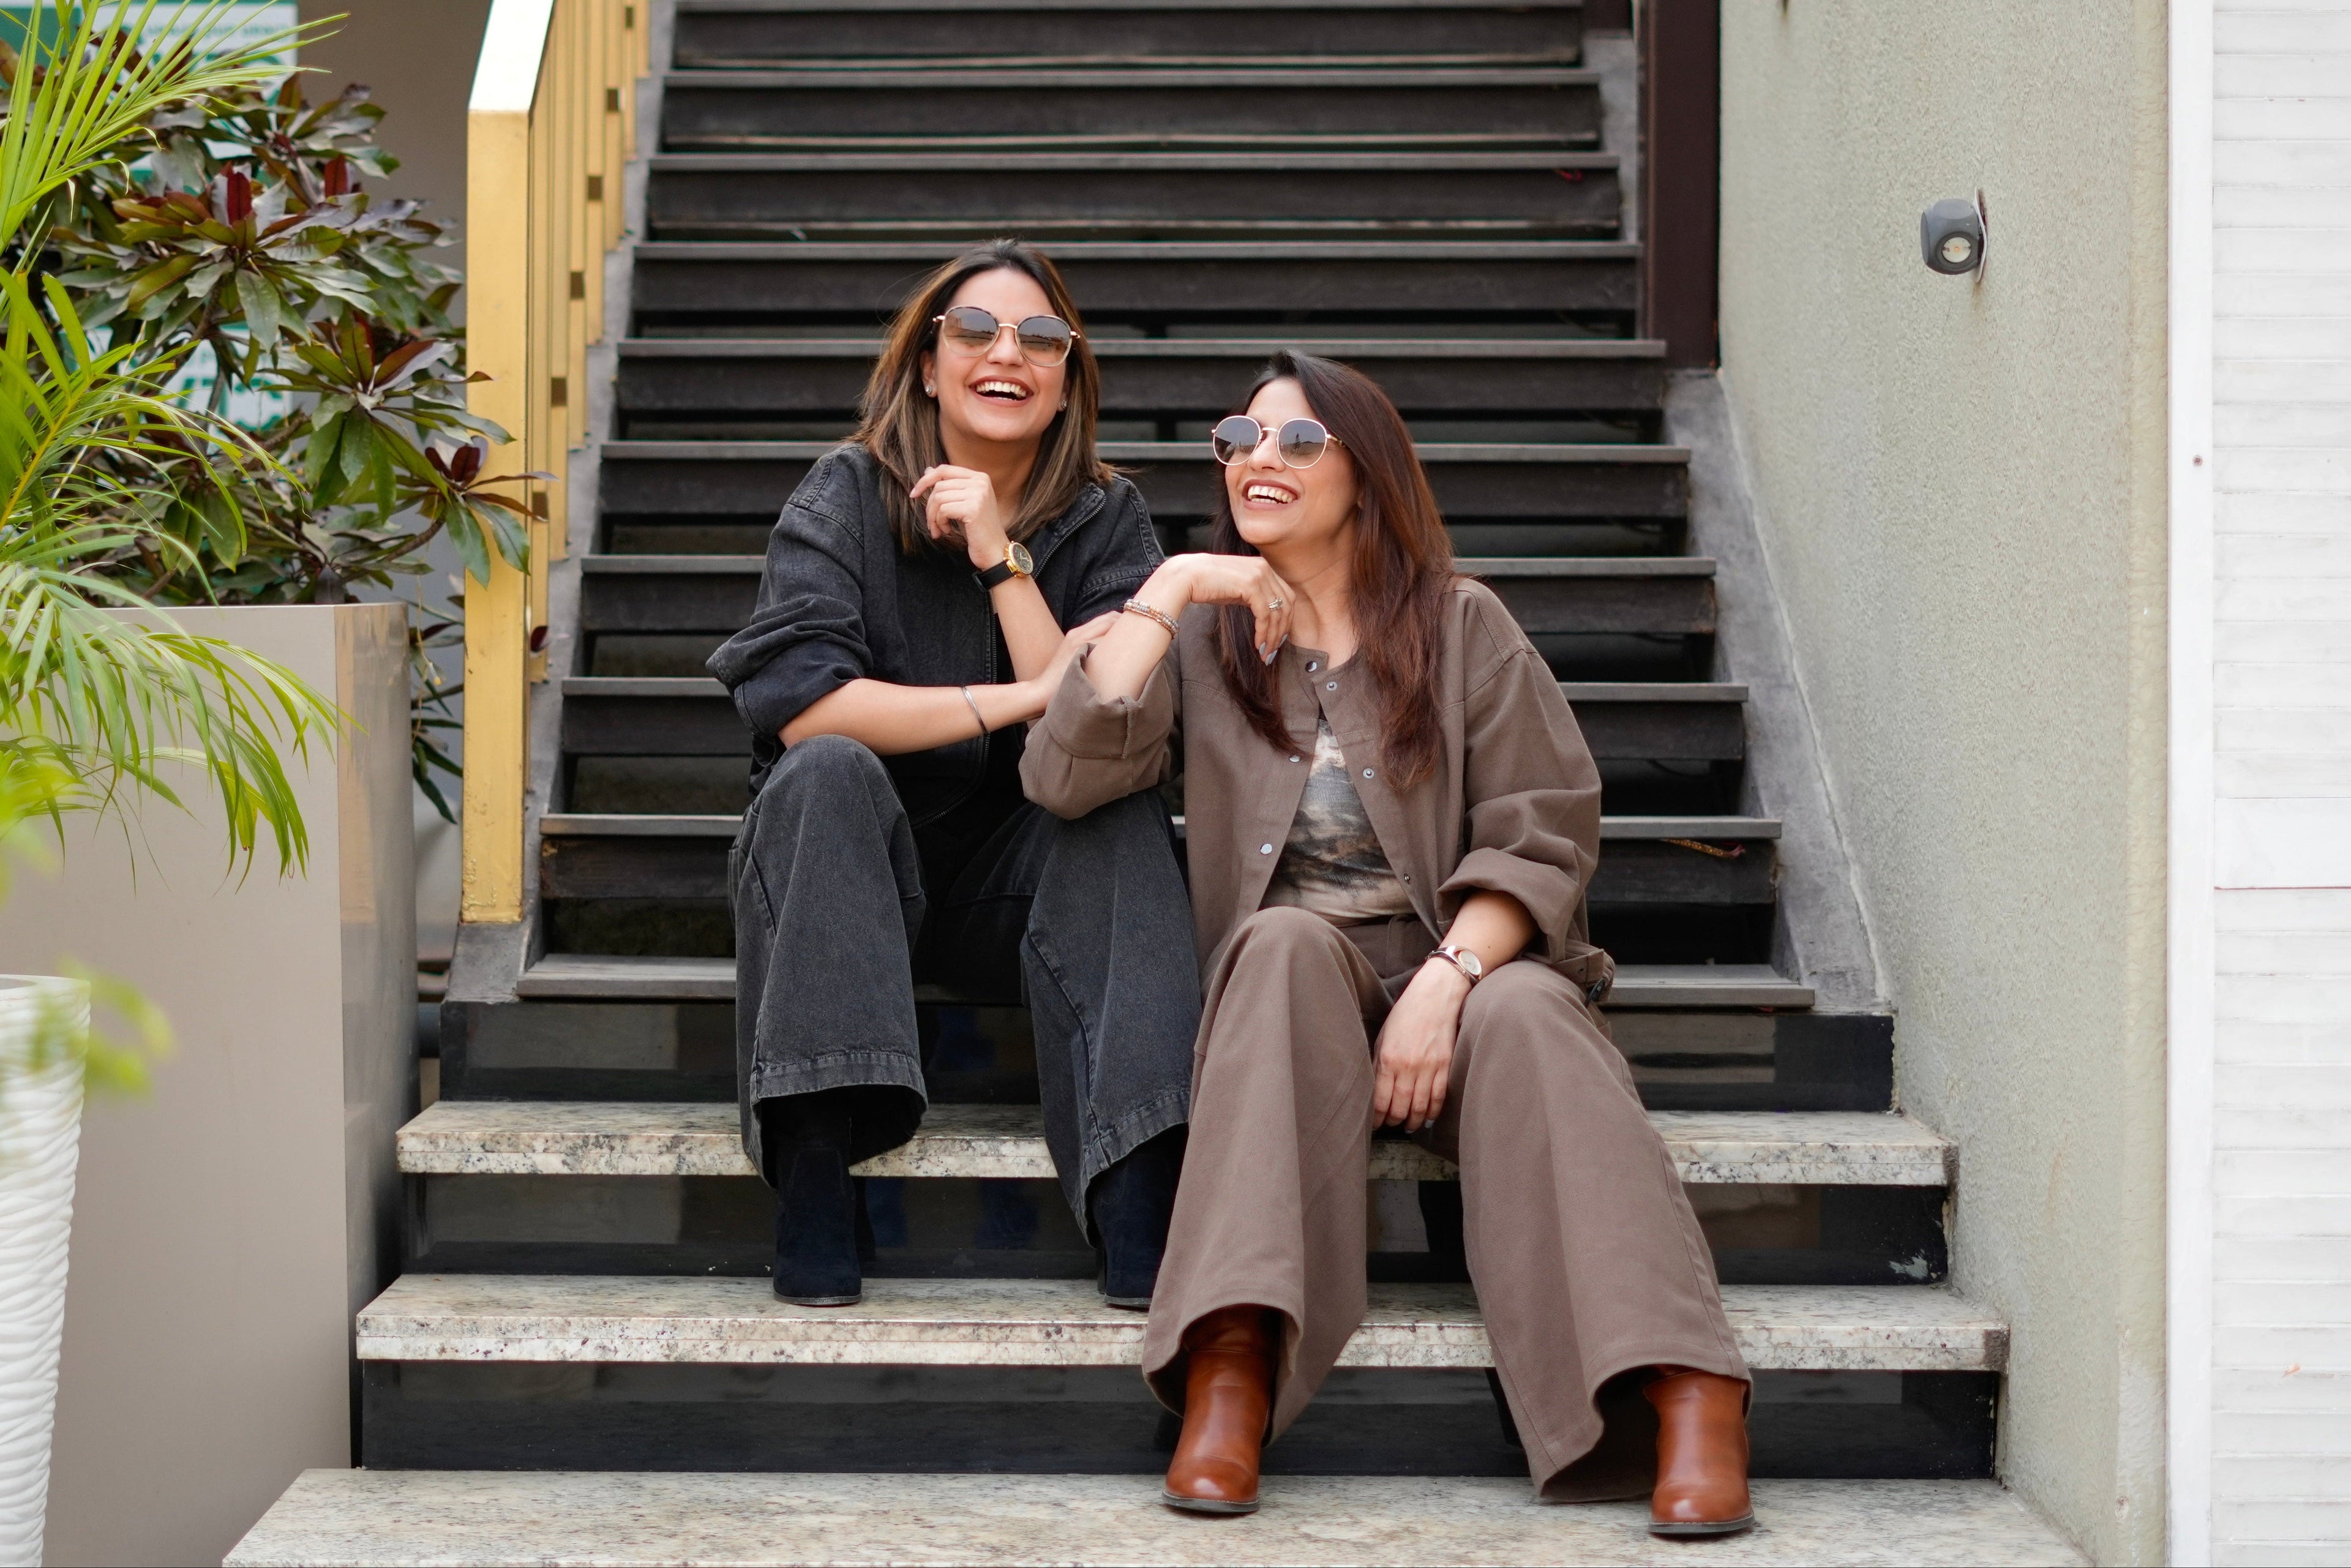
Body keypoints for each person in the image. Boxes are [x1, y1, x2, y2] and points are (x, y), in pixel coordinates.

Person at [1019, 350, 1756, 1536]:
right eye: (1238, 440)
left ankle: (1687, 1391)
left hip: (1464, 965)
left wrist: (1450, 981)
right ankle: (1229, 1370)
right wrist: (1169, 589)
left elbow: (1544, 825)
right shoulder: (1207, 641)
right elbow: (1061, 774)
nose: (1259, 459)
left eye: (1297, 442)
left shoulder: (1460, 621)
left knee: (1526, 1013)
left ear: (1368, 473)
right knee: (1278, 948)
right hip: (1296, 1001)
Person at [708, 239, 1198, 1311]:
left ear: (1069, 377)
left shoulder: (1110, 516)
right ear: (928, 363)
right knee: (831, 770)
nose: (1005, 353)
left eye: (1041, 337)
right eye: (975, 330)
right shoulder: (844, 492)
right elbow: (803, 707)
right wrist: (1026, 698)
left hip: (1017, 884)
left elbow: (1101, 730)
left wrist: (1000, 555)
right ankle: (817, 1170)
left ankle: (1139, 1190)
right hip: (844, 881)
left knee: (1118, 812)